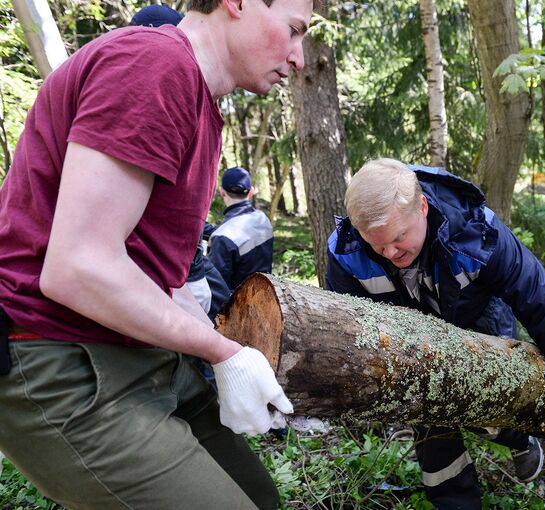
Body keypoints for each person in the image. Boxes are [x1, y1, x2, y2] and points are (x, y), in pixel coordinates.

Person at [0, 0, 313, 508]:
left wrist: (227, 355)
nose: (299, 57)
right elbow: (79, 268)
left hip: (140, 352)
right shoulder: (153, 64)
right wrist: (223, 353)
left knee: (260, 497)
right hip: (55, 355)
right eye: (294, 30)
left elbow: (162, 276)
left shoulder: (199, 99)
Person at [325, 159, 545, 509]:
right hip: (413, 338)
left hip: (479, 319)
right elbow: (349, 330)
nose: (390, 253)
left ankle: (517, 437)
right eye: (378, 245)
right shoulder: (347, 251)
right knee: (429, 410)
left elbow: (540, 301)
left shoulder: (477, 231)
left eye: (399, 238)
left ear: (423, 207)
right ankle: (455, 501)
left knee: (494, 399)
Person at [208, 166, 275, 291]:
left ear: (222, 191)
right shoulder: (263, 219)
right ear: (251, 192)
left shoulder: (222, 237)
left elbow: (216, 289)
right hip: (266, 296)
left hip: (237, 306)